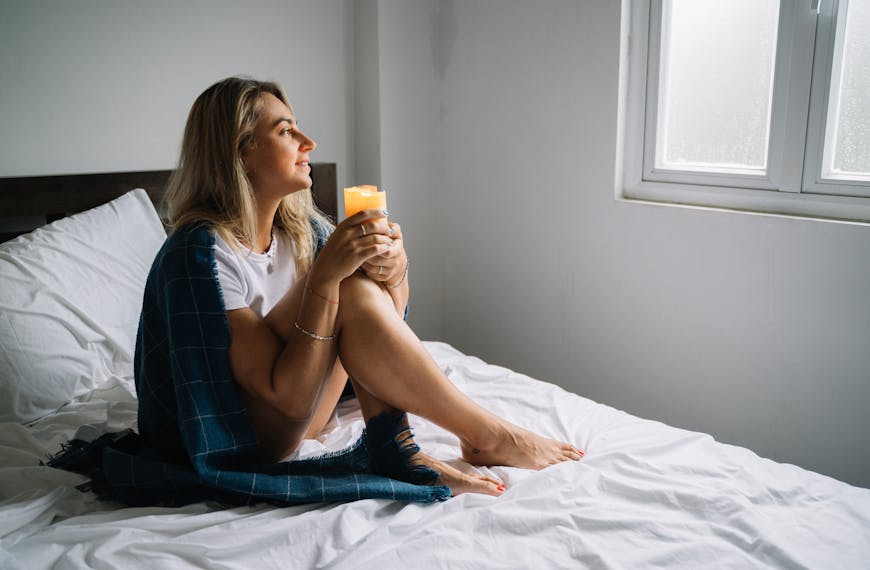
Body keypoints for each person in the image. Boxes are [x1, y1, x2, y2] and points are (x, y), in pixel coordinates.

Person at [142, 76, 583, 501]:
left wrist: (395, 270)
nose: (308, 142)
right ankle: (486, 435)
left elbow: (381, 326)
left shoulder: (303, 230)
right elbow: (286, 402)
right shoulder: (198, 253)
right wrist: (326, 280)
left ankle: (405, 446)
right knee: (346, 281)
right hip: (253, 434)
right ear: (240, 151)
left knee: (356, 279)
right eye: (285, 131)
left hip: (308, 409)